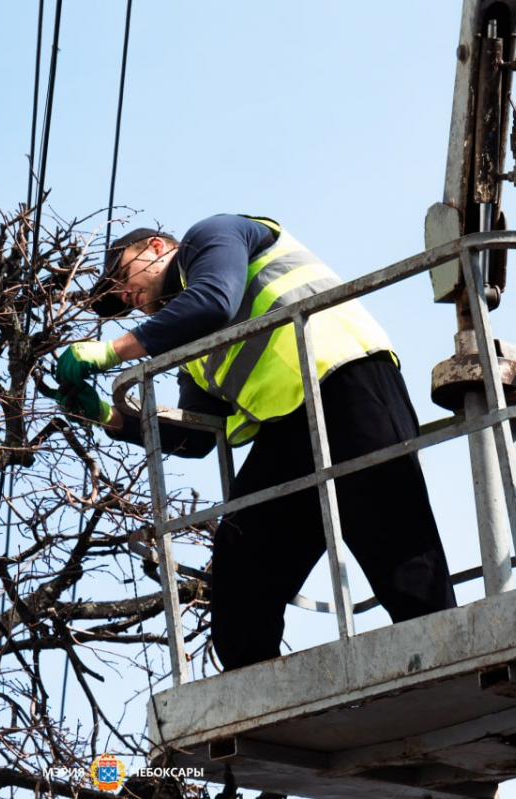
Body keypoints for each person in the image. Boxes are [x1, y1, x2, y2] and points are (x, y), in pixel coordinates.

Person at [51, 214, 457, 671]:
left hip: (347, 382)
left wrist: (110, 350)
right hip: (287, 430)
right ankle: (264, 699)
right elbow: (197, 437)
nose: (125, 297)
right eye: (117, 302)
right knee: (241, 565)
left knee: (398, 552)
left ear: (158, 246)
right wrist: (109, 417)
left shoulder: (212, 235)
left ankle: (459, 668)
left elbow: (214, 301)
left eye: (122, 278)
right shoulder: (191, 350)